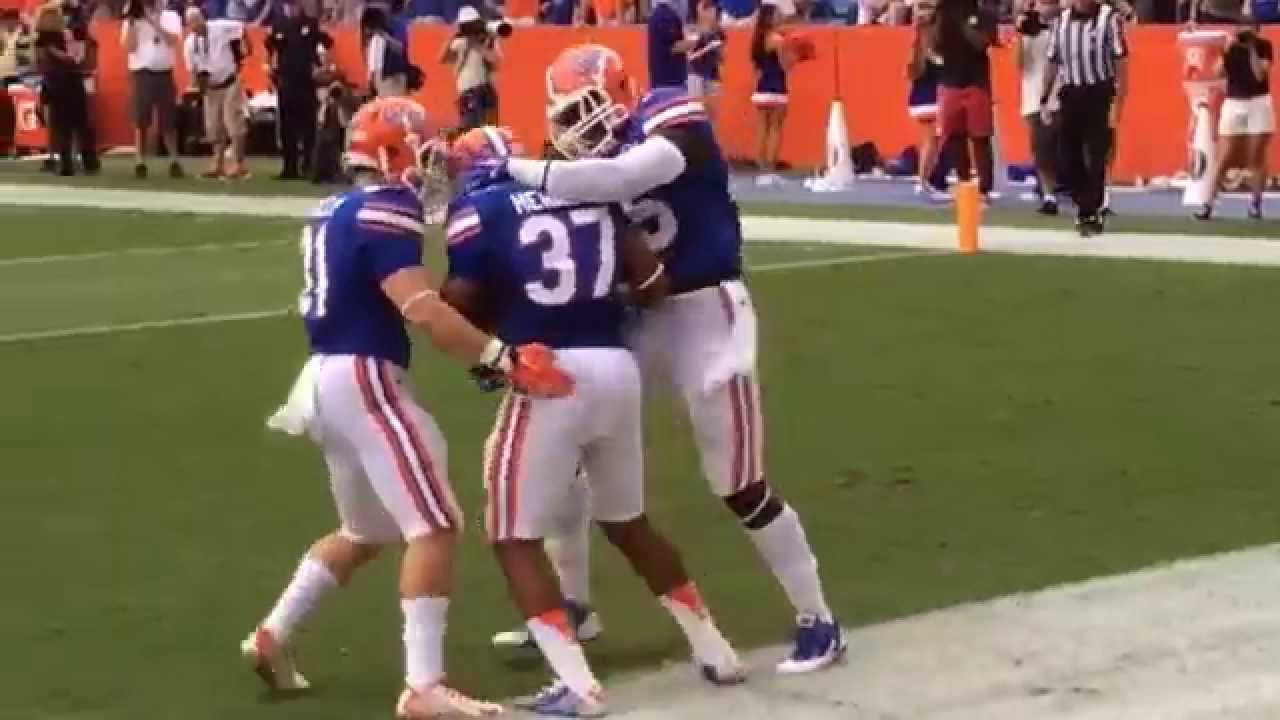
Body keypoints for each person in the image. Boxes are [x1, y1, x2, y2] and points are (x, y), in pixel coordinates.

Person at [497, 43, 848, 677]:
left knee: (737, 481)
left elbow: (625, 178)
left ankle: (817, 618)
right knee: (573, 450)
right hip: (638, 317)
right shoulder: (583, 158)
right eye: (569, 113)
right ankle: (575, 603)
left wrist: (511, 166)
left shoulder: (666, 113)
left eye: (590, 106)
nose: (581, 124)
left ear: (621, 91)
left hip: (709, 314)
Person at [242, 96, 572, 720]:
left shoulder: (331, 207)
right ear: (394, 153)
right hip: (366, 377)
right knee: (437, 525)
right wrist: (502, 357)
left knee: (366, 530)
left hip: (322, 378)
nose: (432, 169)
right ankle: (424, 685)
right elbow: (420, 309)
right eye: (423, 154)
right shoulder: (388, 207)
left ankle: (274, 633)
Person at [439, 125, 745, 717]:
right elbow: (654, 283)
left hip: (549, 374)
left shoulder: (481, 209)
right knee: (628, 520)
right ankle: (716, 648)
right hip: (615, 367)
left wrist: (496, 344)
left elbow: (459, 300)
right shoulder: (590, 193)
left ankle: (576, 685)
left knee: (511, 534)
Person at [1041, 0, 1128, 236]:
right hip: (1071, 92)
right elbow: (1052, 60)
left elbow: (1121, 62)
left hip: (1099, 92)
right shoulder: (1061, 22)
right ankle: (1085, 205)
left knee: (1097, 155)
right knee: (1067, 156)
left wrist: (1118, 103)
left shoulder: (1109, 19)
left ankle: (1090, 209)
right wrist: (1044, 97)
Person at [1194, 19, 1272, 220]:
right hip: (1235, 102)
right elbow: (1218, 71)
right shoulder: (1232, 48)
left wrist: (1252, 48)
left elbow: (1260, 75)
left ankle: (1255, 204)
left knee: (1256, 154)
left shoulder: (1264, 47)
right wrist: (1227, 50)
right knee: (1225, 154)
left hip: (1258, 101)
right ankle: (1208, 203)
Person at [934, 0, 997, 200]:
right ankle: (964, 183)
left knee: (980, 137)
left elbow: (983, 43)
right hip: (950, 80)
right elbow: (935, 44)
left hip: (976, 82)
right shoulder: (943, 10)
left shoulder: (985, 12)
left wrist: (965, 26)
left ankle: (984, 189)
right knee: (954, 137)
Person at [183, 7, 249, 179]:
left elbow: (241, 28)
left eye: (197, 20)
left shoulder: (220, 27)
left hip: (229, 82)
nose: (195, 26)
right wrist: (198, 86)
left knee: (234, 125)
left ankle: (238, 164)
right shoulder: (190, 43)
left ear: (202, 18)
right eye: (191, 23)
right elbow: (192, 70)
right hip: (211, 87)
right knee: (213, 128)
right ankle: (217, 163)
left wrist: (244, 48)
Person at [266, 0, 328, 179]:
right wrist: (272, 70)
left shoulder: (311, 24)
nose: (292, 9)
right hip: (286, 81)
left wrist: (321, 67)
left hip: (306, 82)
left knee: (308, 126)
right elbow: (271, 49)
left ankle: (308, 164)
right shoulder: (279, 25)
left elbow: (323, 46)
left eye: (295, 5)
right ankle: (289, 167)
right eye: (289, 6)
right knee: (287, 128)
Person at [121, 0, 183, 179]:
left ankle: (174, 160)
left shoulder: (170, 17)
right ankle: (140, 161)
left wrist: (154, 22)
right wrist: (133, 22)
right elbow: (129, 47)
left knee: (168, 120)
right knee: (140, 120)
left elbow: (173, 41)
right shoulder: (132, 20)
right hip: (141, 72)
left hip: (164, 72)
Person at [34, 1, 97, 175]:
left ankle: (66, 162)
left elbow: (40, 64)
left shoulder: (42, 40)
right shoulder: (69, 35)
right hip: (72, 80)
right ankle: (88, 160)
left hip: (54, 82)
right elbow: (76, 57)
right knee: (80, 123)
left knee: (61, 125)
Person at [1015, 0, 1061, 215]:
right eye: (1043, 3)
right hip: (1035, 98)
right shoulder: (1028, 33)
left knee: (1061, 149)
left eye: (1050, 3)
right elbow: (1019, 64)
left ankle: (1061, 188)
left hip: (1062, 97)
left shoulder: (1065, 28)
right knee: (1041, 150)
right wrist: (1020, 33)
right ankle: (1049, 195)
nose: (1046, 8)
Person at [908, 0, 947, 198]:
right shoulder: (922, 38)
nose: (926, 12)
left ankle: (927, 180)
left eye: (929, 7)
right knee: (932, 140)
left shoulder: (931, 35)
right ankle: (922, 181)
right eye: (922, 7)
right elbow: (914, 70)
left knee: (935, 140)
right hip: (926, 96)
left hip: (927, 95)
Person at [751, 0, 792, 186]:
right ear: (770, 18)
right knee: (776, 128)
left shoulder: (758, 39)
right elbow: (785, 65)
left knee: (762, 128)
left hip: (761, 87)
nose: (779, 17)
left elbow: (757, 67)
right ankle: (770, 167)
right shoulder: (778, 39)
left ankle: (760, 166)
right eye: (776, 15)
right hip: (777, 86)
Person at [438, 6, 500, 130]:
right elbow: (441, 58)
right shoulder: (460, 43)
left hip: (486, 89)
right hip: (468, 92)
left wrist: (478, 44)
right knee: (469, 128)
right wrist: (453, 36)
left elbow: (495, 62)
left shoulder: (487, 42)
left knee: (491, 130)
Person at [362, 1, 411, 98]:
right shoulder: (375, 27)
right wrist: (370, 76)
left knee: (394, 109)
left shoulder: (397, 24)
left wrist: (384, 36)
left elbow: (400, 49)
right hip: (380, 76)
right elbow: (373, 54)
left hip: (394, 76)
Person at [687, 0, 725, 122]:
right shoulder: (692, 29)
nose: (712, 12)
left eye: (714, 9)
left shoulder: (718, 32)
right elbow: (689, 56)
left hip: (712, 74)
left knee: (711, 114)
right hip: (695, 73)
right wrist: (708, 47)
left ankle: (710, 139)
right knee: (696, 111)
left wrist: (720, 50)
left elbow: (722, 58)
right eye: (708, 9)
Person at [648, 0, 695, 90]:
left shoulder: (664, 15)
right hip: (669, 82)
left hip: (666, 80)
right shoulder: (665, 17)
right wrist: (698, 41)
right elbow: (672, 46)